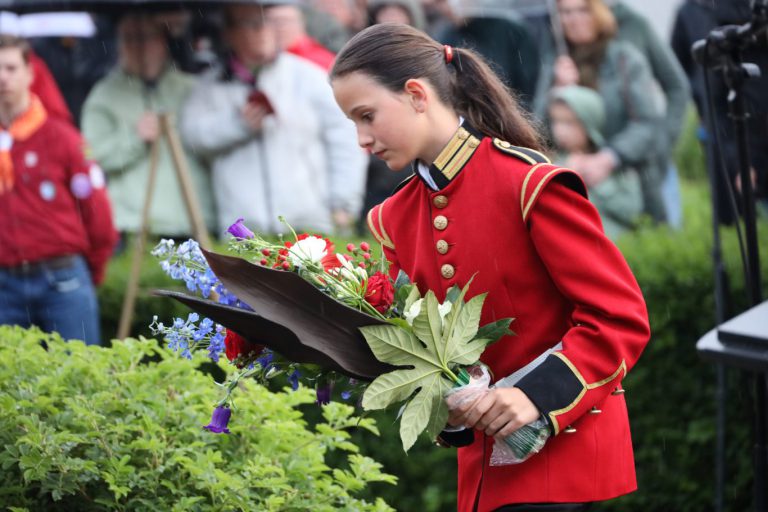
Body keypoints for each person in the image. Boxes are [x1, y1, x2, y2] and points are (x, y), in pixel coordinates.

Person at [330, 23, 650, 511]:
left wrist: (536, 397)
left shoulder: (529, 184)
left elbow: (619, 317)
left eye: (366, 116)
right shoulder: (391, 219)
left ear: (416, 94)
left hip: (564, 460)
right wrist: (451, 408)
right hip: (483, 480)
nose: (361, 138)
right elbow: (431, 353)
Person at [181, 2, 366, 235]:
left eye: (267, 21)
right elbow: (193, 138)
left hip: (309, 226)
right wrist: (237, 126)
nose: (263, 30)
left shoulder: (309, 77)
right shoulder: (209, 87)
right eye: (251, 23)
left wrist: (343, 204)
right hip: (244, 233)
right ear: (229, 33)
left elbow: (345, 141)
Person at [0, 35, 117, 345]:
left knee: (80, 378)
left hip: (62, 277)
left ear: (30, 73)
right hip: (4, 284)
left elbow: (96, 208)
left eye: (11, 68)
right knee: (10, 387)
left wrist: (93, 268)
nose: (3, 77)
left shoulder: (63, 137)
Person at [81, 14, 216, 238]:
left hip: (194, 221)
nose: (138, 46)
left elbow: (211, 145)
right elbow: (90, 158)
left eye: (146, 37)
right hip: (135, 225)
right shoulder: (103, 95)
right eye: (129, 38)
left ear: (163, 42)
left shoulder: (191, 89)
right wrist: (134, 138)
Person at [533, 0, 664, 224]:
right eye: (566, 12)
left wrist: (608, 158)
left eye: (582, 10)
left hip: (627, 184)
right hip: (575, 184)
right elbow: (536, 130)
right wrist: (557, 92)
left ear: (598, 13)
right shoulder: (556, 63)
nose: (573, 19)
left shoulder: (625, 59)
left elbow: (646, 123)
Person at [548, 85, 643, 239]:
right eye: (556, 121)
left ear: (588, 122)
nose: (560, 131)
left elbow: (632, 212)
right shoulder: (552, 164)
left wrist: (591, 177)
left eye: (569, 123)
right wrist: (568, 177)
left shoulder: (611, 162)